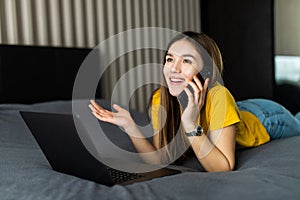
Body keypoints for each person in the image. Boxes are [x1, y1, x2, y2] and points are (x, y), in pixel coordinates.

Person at [89, 31, 300, 172]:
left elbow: (223, 166)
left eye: (186, 61)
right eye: (170, 59)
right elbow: (160, 158)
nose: (173, 68)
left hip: (263, 117)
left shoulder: (219, 95)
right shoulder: (160, 99)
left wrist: (190, 124)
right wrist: (131, 127)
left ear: (205, 71)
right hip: (232, 112)